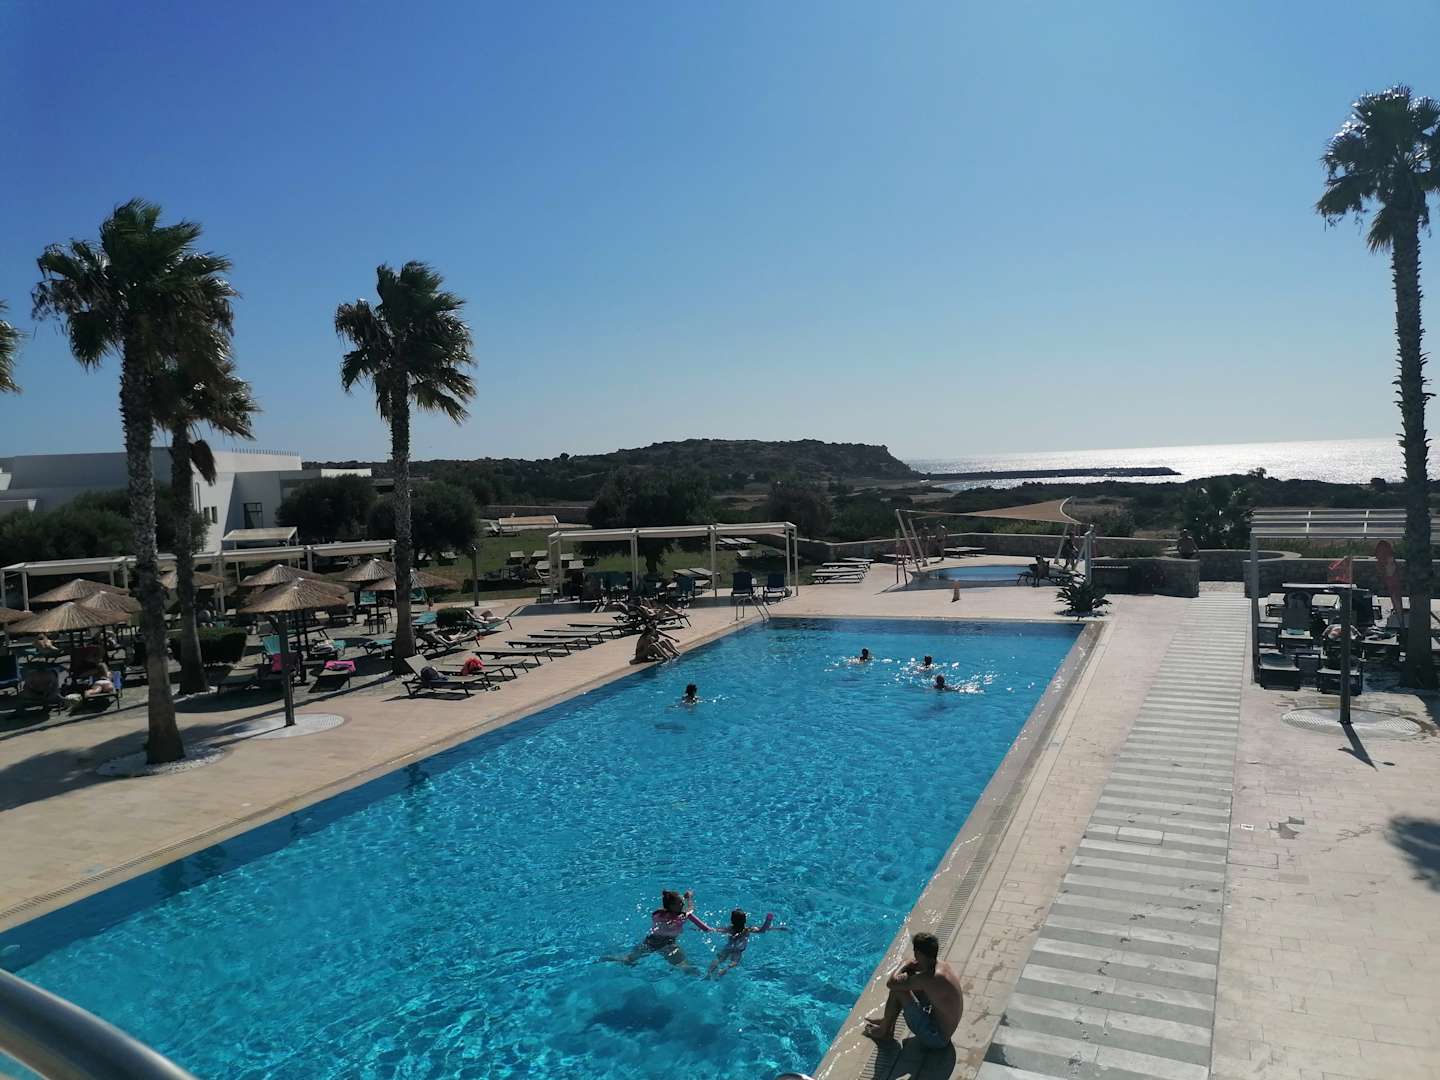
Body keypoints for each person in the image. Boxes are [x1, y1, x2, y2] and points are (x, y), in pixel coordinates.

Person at [863, 932, 963, 1051]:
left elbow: (891, 983)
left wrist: (903, 964)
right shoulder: (941, 966)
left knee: (898, 988)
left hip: (936, 1038)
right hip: (943, 1027)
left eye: (915, 952)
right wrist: (909, 967)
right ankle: (887, 1022)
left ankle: (884, 1031)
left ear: (918, 953)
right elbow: (916, 971)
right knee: (906, 978)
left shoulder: (929, 978)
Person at [604, 889, 715, 972]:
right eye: (680, 903)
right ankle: (701, 975)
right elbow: (690, 909)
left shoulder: (658, 914)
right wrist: (689, 898)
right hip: (668, 944)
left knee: (629, 959)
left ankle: (606, 958)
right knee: (683, 965)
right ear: (672, 906)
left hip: (650, 940)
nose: (682, 905)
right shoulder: (681, 917)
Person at [706, 909, 786, 979]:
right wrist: (770, 923)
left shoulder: (729, 928)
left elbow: (714, 930)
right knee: (734, 962)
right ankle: (723, 970)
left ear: (732, 920)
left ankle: (708, 974)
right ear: (745, 921)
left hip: (728, 948)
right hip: (738, 950)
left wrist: (704, 928)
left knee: (718, 959)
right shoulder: (748, 929)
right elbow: (762, 930)